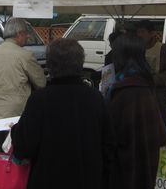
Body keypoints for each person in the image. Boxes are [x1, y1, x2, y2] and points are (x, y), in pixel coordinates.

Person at [11, 39, 115, 189]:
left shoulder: (40, 100)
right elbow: (109, 144)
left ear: (50, 66)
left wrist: (15, 130)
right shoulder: (95, 98)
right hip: (88, 179)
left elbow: (23, 147)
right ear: (80, 63)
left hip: (47, 179)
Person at [0, 18, 46, 189]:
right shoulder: (24, 55)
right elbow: (41, 83)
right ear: (19, 34)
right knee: (18, 156)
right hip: (16, 117)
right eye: (26, 34)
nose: (27, 38)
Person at [107, 33, 166, 189]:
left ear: (120, 57)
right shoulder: (147, 86)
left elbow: (108, 141)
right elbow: (164, 137)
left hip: (123, 174)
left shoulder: (121, 91)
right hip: (146, 172)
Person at [136, 20, 166, 134]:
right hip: (141, 92)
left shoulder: (162, 49)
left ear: (152, 33)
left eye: (142, 32)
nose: (139, 35)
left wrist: (155, 80)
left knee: (159, 123)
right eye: (138, 32)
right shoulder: (137, 48)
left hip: (158, 93)